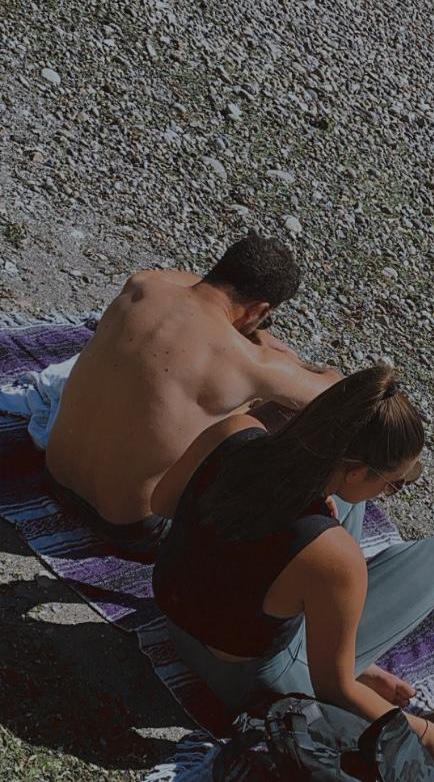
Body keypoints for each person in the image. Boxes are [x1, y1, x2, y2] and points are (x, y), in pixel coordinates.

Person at [151, 366, 434, 782]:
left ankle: (332, 637)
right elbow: (334, 689)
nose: (391, 492)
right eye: (394, 483)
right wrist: (429, 734)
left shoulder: (236, 431)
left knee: (345, 512)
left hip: (177, 621)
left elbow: (162, 503)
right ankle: (336, 644)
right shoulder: (331, 555)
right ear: (357, 471)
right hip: (246, 680)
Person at [45, 233, 341, 559]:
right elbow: (340, 393)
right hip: (131, 528)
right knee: (277, 412)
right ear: (259, 310)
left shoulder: (142, 286)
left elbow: (194, 286)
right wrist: (284, 356)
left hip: (55, 479)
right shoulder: (245, 360)